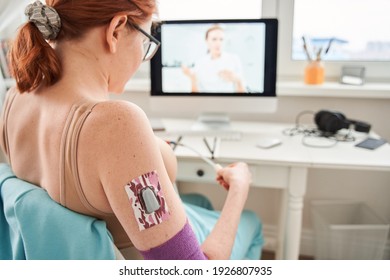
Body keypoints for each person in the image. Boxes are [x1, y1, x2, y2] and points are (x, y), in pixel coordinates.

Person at [0, 0, 263, 260]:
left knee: (201, 203)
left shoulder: (15, 97)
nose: (143, 57)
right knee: (251, 222)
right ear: (116, 29)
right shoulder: (116, 124)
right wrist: (240, 187)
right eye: (146, 42)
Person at [182, 24, 246, 93]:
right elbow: (195, 97)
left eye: (221, 39)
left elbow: (243, 94)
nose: (218, 43)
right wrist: (193, 80)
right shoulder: (200, 63)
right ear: (207, 41)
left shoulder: (234, 59)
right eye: (214, 39)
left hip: (229, 102)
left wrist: (237, 79)